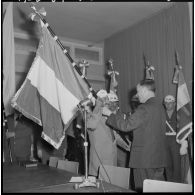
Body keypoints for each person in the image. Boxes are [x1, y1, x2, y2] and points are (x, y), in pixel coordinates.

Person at [102, 79, 167, 192]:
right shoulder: (160, 106)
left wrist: (109, 114)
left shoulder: (144, 108)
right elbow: (147, 129)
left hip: (144, 160)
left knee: (144, 189)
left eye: (138, 91)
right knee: (158, 189)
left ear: (145, 91)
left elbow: (126, 125)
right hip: (158, 159)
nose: (136, 95)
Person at [86, 89, 118, 177]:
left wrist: (127, 146)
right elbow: (91, 125)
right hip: (98, 166)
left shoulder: (109, 118)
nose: (112, 106)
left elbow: (114, 138)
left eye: (114, 104)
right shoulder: (90, 117)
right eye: (108, 103)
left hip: (112, 165)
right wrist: (97, 107)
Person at [163, 95, 181, 182]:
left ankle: (177, 184)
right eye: (166, 103)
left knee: (176, 164)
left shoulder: (179, 114)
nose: (168, 105)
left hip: (175, 140)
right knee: (167, 164)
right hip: (165, 140)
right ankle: (169, 183)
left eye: (170, 103)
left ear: (174, 104)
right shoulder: (162, 114)